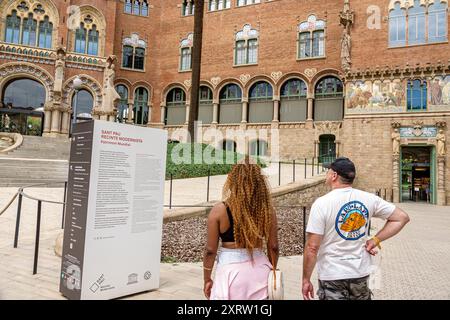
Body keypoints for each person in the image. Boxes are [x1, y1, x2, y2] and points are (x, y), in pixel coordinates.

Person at [302, 157, 410, 300]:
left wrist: (305, 279)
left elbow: (312, 247)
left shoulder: (321, 204)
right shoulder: (369, 199)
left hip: (332, 275)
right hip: (360, 273)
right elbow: (402, 217)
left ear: (334, 175)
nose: (326, 174)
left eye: (328, 171)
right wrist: (375, 240)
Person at [203, 157, 279, 300]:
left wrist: (207, 278)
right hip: (261, 271)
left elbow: (210, 250)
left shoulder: (219, 210)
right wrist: (274, 271)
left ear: (232, 181)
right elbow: (273, 246)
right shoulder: (267, 210)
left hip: (230, 273)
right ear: (259, 183)